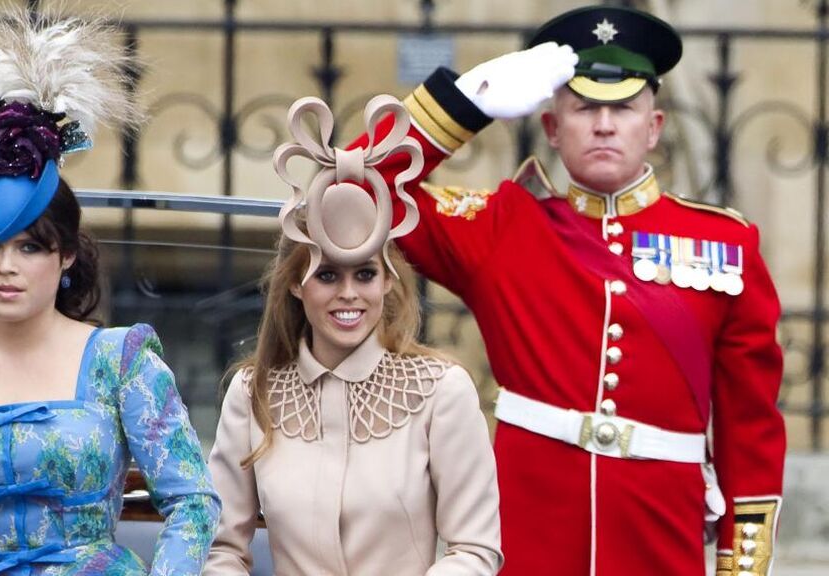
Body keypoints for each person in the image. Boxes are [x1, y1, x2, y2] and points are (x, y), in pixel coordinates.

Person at [349, 5, 785, 576]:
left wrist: (740, 566)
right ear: (552, 127)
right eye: (584, 108)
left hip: (661, 541)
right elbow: (351, 190)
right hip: (527, 537)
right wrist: (464, 106)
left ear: (652, 128)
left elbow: (749, 428)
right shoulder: (502, 225)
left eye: (623, 107)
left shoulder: (727, 243)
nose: (604, 124)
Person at [0, 13, 220, 575]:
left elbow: (193, 504)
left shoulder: (121, 363)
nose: (6, 266)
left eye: (30, 248)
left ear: (66, 256)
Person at [203, 95, 502, 575]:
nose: (348, 294)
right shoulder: (251, 393)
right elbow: (221, 550)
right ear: (298, 285)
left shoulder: (441, 390)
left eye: (364, 275)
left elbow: (474, 551)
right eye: (327, 276)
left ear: (388, 281)